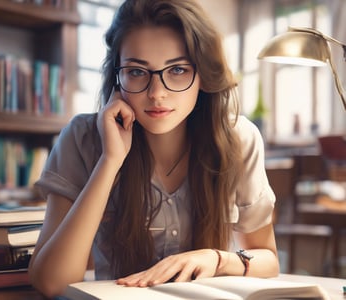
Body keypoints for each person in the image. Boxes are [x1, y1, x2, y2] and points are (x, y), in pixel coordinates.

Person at [28, 0, 280, 297]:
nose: (156, 94)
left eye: (177, 69)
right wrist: (110, 160)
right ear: (117, 77)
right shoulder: (83, 138)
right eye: (136, 72)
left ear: (203, 75)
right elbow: (50, 282)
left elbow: (268, 260)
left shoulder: (239, 139)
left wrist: (216, 259)